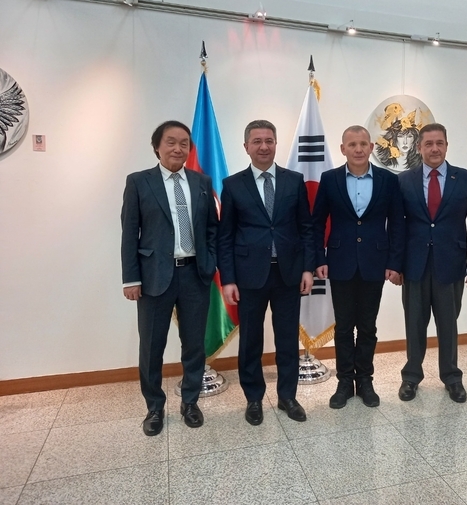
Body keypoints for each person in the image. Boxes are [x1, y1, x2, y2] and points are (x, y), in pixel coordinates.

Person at [121, 120, 218, 436]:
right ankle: (154, 407)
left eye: (184, 144)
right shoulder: (139, 182)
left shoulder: (201, 182)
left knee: (194, 344)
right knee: (152, 345)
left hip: (195, 274)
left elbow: (212, 230)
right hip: (153, 278)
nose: (178, 148)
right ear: (157, 147)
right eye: (171, 142)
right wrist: (130, 279)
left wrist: (211, 262)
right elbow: (129, 234)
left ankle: (190, 401)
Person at [218, 119, 315, 425]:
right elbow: (225, 236)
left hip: (287, 274)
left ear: (276, 144)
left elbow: (306, 229)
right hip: (249, 276)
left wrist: (308, 269)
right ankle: (254, 399)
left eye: (269, 140)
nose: (263, 146)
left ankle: (288, 396)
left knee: (287, 338)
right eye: (257, 141)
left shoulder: (293, 181)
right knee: (251, 340)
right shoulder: (233, 185)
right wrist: (229, 279)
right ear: (246, 146)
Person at [312, 125, 405, 409]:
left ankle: (365, 381)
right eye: (352, 144)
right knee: (343, 328)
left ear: (371, 147)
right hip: (339, 264)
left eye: (363, 143)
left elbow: (398, 224)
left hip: (375, 264)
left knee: (367, 326)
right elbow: (317, 223)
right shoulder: (330, 179)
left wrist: (394, 262)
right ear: (343, 149)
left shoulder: (389, 180)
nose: (358, 149)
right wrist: (319, 259)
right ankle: (344, 382)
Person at [397, 123, 467, 403]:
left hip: (451, 264)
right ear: (419, 147)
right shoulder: (403, 181)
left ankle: (452, 378)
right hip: (414, 265)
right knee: (414, 324)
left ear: (446, 145)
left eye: (440, 143)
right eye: (428, 144)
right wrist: (396, 265)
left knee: (448, 324)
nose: (434, 149)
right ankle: (411, 377)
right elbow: (397, 227)